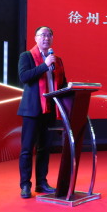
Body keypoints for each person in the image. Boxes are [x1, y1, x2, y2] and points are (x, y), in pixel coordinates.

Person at [17, 26, 67, 199]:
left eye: (49, 35)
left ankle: (41, 182)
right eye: (43, 35)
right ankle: (25, 185)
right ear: (36, 38)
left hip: (49, 109)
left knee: (44, 148)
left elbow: (62, 84)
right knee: (27, 149)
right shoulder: (27, 56)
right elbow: (24, 77)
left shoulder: (57, 60)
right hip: (32, 109)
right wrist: (45, 66)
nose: (46, 38)